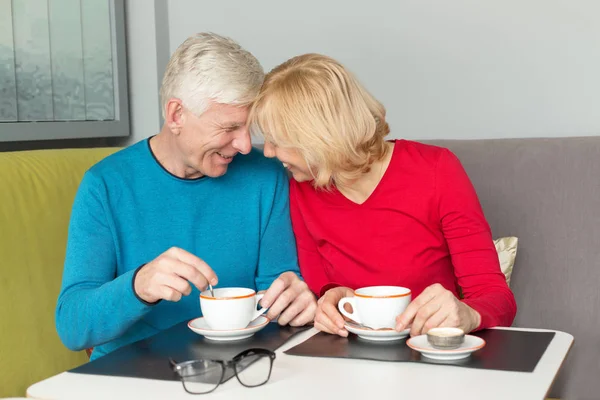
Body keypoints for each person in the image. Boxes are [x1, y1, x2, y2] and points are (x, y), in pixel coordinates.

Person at [56, 33, 316, 360]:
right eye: (229, 128)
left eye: (249, 128)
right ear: (177, 115)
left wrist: (293, 301)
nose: (246, 145)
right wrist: (138, 286)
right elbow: (73, 327)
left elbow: (274, 295)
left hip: (238, 369)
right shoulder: (105, 185)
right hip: (132, 376)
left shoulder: (265, 176)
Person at [248, 53, 517, 338]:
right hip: (347, 359)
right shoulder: (300, 190)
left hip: (429, 353)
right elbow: (323, 290)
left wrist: (468, 313)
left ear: (317, 137)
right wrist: (330, 299)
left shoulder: (437, 170)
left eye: (276, 141)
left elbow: (496, 297)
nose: (267, 152)